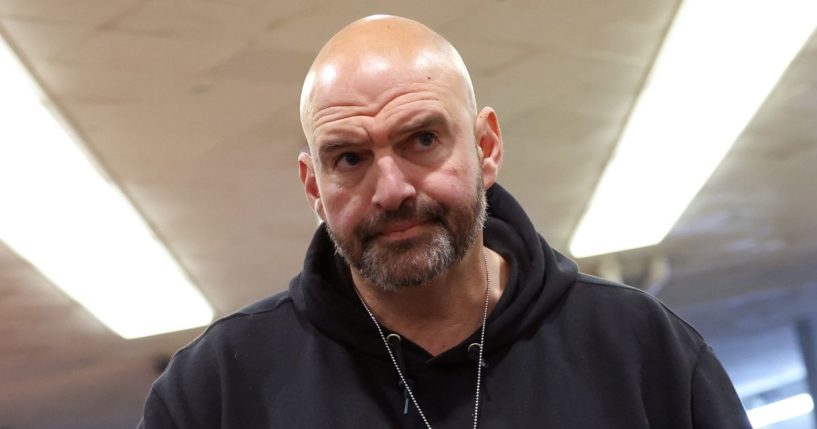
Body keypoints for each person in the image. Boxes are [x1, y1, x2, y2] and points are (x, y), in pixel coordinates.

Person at [138, 15, 752, 428]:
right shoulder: (212, 394)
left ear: (485, 147)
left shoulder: (644, 353)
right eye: (349, 158)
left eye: (423, 139)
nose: (392, 190)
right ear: (314, 188)